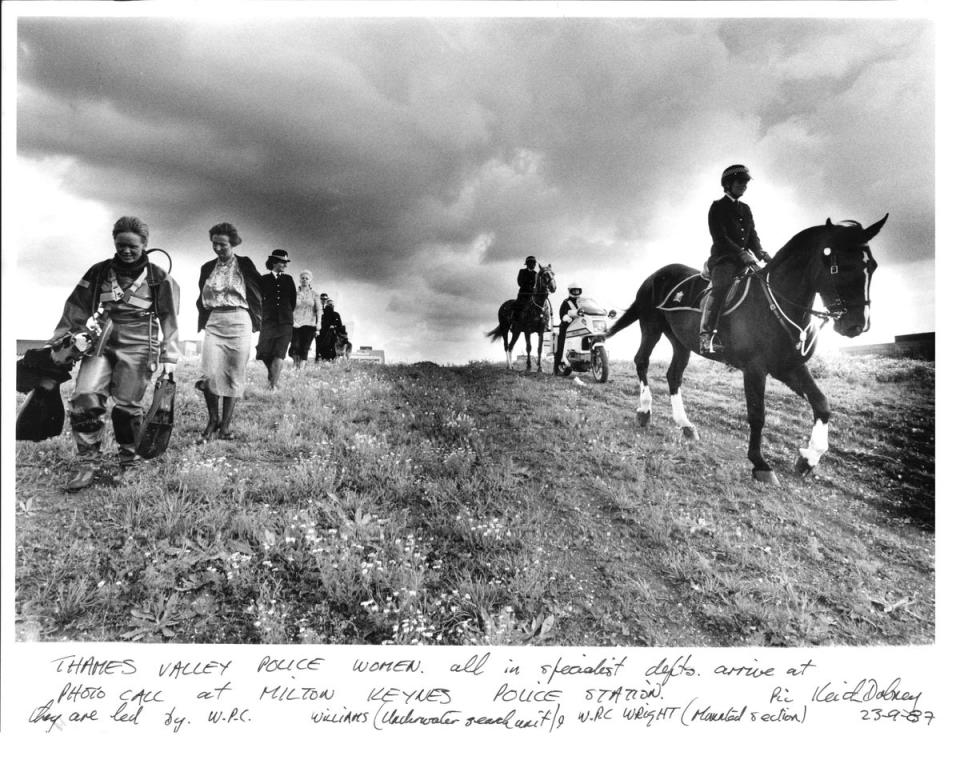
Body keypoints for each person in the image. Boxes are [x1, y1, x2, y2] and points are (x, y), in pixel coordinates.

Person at [52, 216, 180, 491]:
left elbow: (170, 320)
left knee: (126, 407)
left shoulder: (159, 278)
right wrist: (67, 339)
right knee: (84, 396)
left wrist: (169, 359)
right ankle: (87, 462)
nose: (126, 250)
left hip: (139, 346)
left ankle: (129, 462)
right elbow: (76, 306)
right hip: (102, 342)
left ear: (144, 244)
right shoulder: (99, 272)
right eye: (121, 244)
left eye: (133, 246)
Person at [196, 222, 263, 441]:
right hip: (215, 320)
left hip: (240, 320)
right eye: (214, 244)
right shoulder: (207, 267)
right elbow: (202, 295)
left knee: (234, 373)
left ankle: (225, 427)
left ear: (232, 243)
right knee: (209, 373)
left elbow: (260, 290)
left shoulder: (244, 264)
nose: (217, 248)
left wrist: (260, 318)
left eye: (222, 244)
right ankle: (212, 420)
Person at [700, 164, 772, 353]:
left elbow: (752, 236)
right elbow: (720, 237)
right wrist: (741, 253)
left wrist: (762, 254)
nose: (744, 186)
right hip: (723, 259)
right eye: (740, 182)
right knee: (720, 288)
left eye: (746, 183)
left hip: (745, 260)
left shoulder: (746, 209)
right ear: (728, 184)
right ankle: (706, 336)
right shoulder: (717, 207)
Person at [256, 249, 297, 389]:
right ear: (274, 262)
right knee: (264, 353)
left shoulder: (288, 279)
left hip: (285, 323)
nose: (285, 265)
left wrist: (286, 315)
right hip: (268, 322)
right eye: (283, 262)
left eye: (286, 263)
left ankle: (272, 386)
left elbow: (293, 301)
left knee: (279, 354)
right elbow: (258, 299)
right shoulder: (263, 279)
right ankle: (272, 376)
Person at [289, 270, 323, 370]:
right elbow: (289, 308)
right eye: (302, 278)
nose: (304, 280)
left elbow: (319, 310)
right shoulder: (294, 294)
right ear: (300, 280)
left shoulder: (314, 294)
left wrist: (319, 323)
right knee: (295, 345)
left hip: (309, 324)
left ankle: (301, 369)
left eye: (307, 278)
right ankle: (295, 364)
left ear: (310, 280)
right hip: (295, 323)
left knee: (305, 346)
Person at [553, 282, 583, 375]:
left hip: (579, 326)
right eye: (574, 290)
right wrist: (566, 317)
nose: (576, 292)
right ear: (570, 291)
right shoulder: (566, 302)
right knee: (561, 345)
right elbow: (561, 313)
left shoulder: (581, 302)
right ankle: (556, 369)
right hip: (567, 326)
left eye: (578, 290)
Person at [512, 255, 538, 323]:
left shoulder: (536, 274)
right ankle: (515, 321)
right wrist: (530, 288)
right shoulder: (522, 271)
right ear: (528, 264)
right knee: (518, 306)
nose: (534, 265)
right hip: (523, 294)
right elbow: (520, 282)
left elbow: (537, 284)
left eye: (534, 263)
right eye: (532, 263)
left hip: (532, 295)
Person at [314, 292, 330, 362]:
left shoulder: (329, 309)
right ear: (320, 299)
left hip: (327, 330)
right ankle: (317, 358)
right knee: (318, 344)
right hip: (318, 329)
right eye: (322, 299)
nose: (323, 300)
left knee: (326, 344)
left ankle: (324, 359)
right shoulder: (317, 308)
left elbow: (331, 319)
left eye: (325, 299)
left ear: (327, 300)